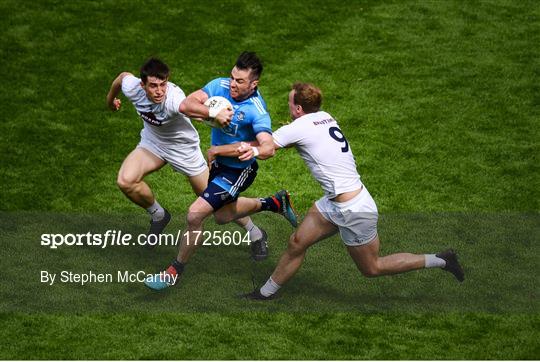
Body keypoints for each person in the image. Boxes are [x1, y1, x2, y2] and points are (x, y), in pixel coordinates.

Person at [242, 82, 464, 300]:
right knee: (297, 242)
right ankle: (265, 292)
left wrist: (231, 143)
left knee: (372, 268)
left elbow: (265, 149)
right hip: (334, 202)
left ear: (298, 109)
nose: (289, 107)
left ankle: (441, 259)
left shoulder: (299, 127)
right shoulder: (324, 116)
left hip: (354, 209)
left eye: (290, 103)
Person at [144, 52, 297, 291]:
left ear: (253, 84)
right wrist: (211, 113)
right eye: (232, 77)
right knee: (222, 216)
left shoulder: (256, 110)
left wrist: (238, 150)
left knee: (195, 214)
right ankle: (274, 203)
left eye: (240, 81)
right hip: (217, 166)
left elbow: (268, 147)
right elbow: (186, 105)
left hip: (238, 171)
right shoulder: (219, 85)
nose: (233, 84)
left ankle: (174, 270)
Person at [106, 58, 265, 251]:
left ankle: (255, 232)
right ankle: (159, 215)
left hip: (184, 151)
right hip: (152, 143)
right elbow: (121, 77)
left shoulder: (173, 98)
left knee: (217, 204)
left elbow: (187, 107)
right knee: (125, 181)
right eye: (153, 86)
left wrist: (212, 113)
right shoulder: (133, 88)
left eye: (163, 84)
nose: (159, 91)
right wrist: (110, 100)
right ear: (142, 85)